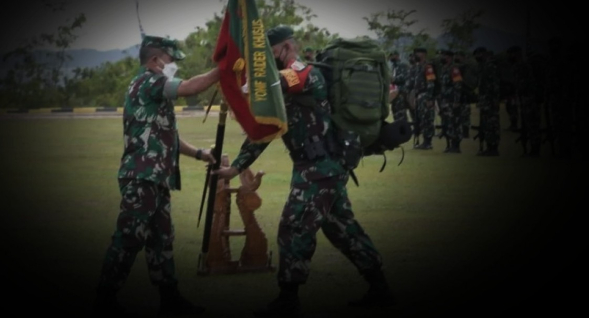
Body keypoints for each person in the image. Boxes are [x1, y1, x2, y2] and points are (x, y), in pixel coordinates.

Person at [212, 25, 395, 317]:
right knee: (342, 228)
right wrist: (237, 167)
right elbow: (267, 129)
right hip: (320, 167)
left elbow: (273, 83)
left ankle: (288, 299)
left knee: (294, 226)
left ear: (286, 46)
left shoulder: (303, 72)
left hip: (320, 166)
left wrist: (238, 84)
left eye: (269, 52)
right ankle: (381, 289)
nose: (266, 58)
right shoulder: (284, 82)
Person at [93, 35, 220, 317]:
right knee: (129, 237)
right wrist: (220, 71)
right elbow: (188, 87)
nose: (173, 65)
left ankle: (170, 300)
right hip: (141, 177)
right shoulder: (149, 82)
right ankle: (105, 299)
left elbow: (168, 137)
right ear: (155, 60)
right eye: (171, 60)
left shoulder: (152, 91)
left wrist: (199, 153)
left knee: (161, 240)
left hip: (156, 178)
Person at [407, 47, 437, 149]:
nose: (415, 56)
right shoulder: (417, 67)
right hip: (418, 96)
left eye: (417, 54)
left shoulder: (427, 67)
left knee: (427, 119)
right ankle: (424, 141)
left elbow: (430, 83)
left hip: (425, 96)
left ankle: (428, 142)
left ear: (423, 55)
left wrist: (429, 98)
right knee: (420, 119)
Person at [474, 46, 501, 156]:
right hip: (485, 101)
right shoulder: (483, 66)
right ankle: (489, 147)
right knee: (486, 125)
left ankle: (493, 148)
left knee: (492, 125)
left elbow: (494, 85)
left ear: (483, 54)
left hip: (490, 101)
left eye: (478, 55)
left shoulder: (490, 66)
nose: (477, 57)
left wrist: (494, 99)